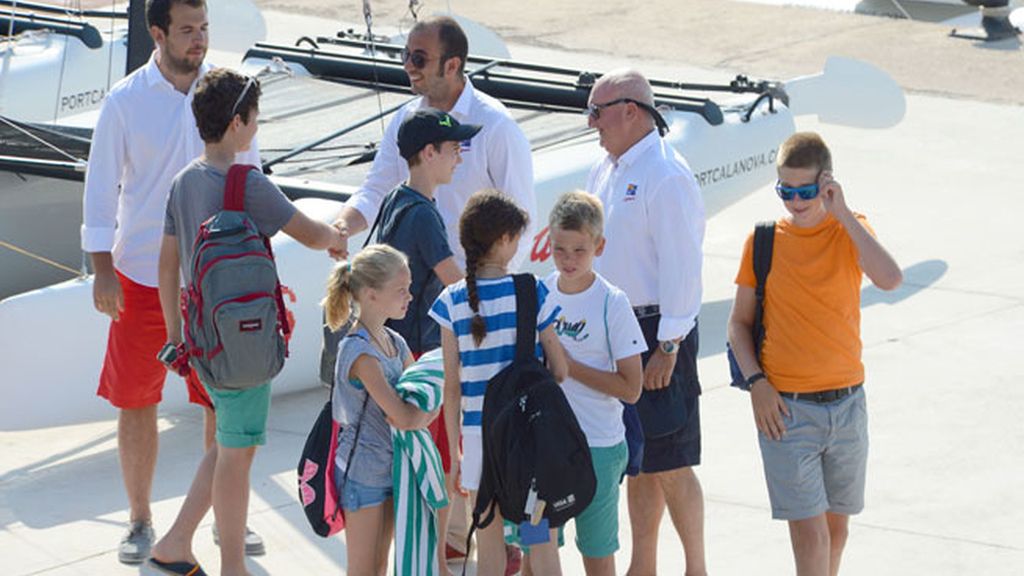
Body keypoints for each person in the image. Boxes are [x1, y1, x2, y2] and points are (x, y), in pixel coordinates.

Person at [331, 16, 535, 569]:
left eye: (418, 59)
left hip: (456, 319)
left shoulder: (496, 128)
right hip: (435, 327)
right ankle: (463, 541)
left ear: (453, 65)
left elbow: (521, 222)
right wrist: (340, 229)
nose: (408, 68)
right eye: (406, 57)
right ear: (432, 154)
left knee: (467, 437)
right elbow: (375, 188)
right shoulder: (409, 125)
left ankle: (471, 537)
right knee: (448, 443)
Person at [80, 0, 264, 563]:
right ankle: (139, 522)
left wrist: (262, 271)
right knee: (136, 400)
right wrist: (101, 268)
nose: (199, 40)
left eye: (204, 28)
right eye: (187, 30)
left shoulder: (232, 93)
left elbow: (252, 177)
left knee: (222, 405)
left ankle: (220, 519)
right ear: (157, 33)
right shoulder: (124, 102)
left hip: (217, 282)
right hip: (137, 276)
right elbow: (100, 185)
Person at [150, 68, 345, 576]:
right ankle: (231, 566)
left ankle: (174, 542)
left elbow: (168, 264)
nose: (256, 128)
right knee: (237, 456)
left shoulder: (184, 181)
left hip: (204, 340)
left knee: (226, 444)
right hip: (245, 342)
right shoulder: (246, 182)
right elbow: (309, 233)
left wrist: (176, 337)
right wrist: (339, 233)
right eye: (254, 119)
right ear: (238, 123)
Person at [727, 132, 902, 576]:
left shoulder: (849, 230)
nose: (795, 200)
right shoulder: (762, 241)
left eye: (806, 191)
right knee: (811, 537)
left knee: (836, 532)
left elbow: (890, 279)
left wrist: (840, 211)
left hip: (847, 407)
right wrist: (756, 384)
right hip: (787, 411)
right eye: (786, 191)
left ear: (826, 183)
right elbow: (738, 325)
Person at [584, 68, 707, 576]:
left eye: (598, 111)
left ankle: (696, 567)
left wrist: (670, 345)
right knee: (639, 458)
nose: (591, 122)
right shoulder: (606, 168)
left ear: (631, 111)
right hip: (618, 327)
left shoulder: (665, 174)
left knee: (672, 460)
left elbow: (684, 267)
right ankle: (644, 566)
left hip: (659, 331)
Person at [428, 190, 568, 576]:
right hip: (528, 434)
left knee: (488, 542)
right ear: (504, 240)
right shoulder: (532, 291)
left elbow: (451, 387)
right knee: (539, 539)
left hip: (477, 436)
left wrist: (456, 454)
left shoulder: (451, 301)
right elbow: (560, 370)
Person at [375, 107, 478, 572]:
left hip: (392, 353)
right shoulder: (423, 215)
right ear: (428, 153)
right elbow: (455, 282)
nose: (460, 156)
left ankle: (435, 555)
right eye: (454, 148)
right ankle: (435, 560)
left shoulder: (396, 200)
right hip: (419, 362)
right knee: (435, 467)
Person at [542, 191, 646, 576]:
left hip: (599, 447)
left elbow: (631, 388)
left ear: (599, 246)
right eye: (560, 249)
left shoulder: (612, 303)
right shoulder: (539, 292)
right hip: (546, 447)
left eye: (579, 251)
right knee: (538, 555)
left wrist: (568, 366)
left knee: (598, 557)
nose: (569, 260)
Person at [322, 245, 437, 576]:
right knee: (363, 570)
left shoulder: (395, 342)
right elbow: (404, 415)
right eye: (401, 290)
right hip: (364, 476)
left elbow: (423, 397)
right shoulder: (359, 353)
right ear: (371, 295)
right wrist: (422, 416)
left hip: (394, 470)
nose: (410, 296)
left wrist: (421, 413)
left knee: (381, 566)